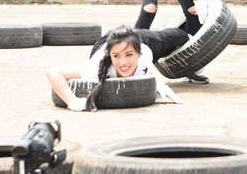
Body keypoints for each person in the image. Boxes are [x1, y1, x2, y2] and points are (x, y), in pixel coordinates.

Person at [46, 25, 189, 112]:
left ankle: (186, 33)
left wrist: (160, 85)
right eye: (117, 57)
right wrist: (72, 101)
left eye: (129, 56)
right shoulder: (98, 68)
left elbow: (149, 67)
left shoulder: (144, 55)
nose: (123, 63)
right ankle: (120, 49)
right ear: (111, 56)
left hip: (137, 39)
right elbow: (53, 72)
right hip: (106, 43)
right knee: (121, 49)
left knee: (174, 37)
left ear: (138, 55)